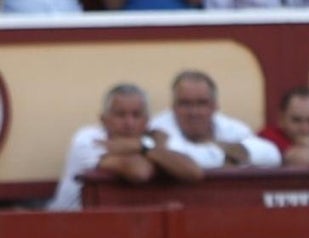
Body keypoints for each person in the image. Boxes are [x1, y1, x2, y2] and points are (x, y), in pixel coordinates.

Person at [47, 83, 203, 211]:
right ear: (104, 119)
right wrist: (149, 149)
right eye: (120, 115)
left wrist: (145, 147)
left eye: (136, 115)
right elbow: (139, 171)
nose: (129, 123)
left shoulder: (151, 141)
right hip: (68, 223)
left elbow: (193, 172)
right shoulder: (87, 139)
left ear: (147, 121)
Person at [149, 70, 281, 169]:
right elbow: (187, 160)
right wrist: (229, 154)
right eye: (185, 104)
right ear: (173, 107)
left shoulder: (230, 126)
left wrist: (224, 149)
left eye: (202, 103)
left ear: (215, 106)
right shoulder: (159, 126)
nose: (194, 112)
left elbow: (272, 155)